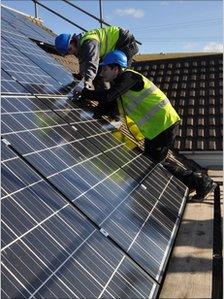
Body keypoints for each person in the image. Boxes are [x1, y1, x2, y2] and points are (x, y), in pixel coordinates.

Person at [80, 50, 216, 201]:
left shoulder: (129, 77)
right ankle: (194, 182)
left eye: (105, 69)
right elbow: (107, 105)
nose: (101, 73)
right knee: (155, 161)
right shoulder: (120, 87)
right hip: (156, 130)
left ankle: (202, 182)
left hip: (165, 124)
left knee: (154, 163)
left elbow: (108, 96)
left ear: (116, 68)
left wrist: (86, 93)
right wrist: (85, 111)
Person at [55, 26, 139, 119]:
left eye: (70, 49)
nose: (71, 53)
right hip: (116, 47)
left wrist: (87, 83)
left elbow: (92, 63)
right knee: (100, 74)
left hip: (125, 43)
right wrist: (80, 76)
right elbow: (84, 63)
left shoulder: (89, 43)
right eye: (68, 52)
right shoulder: (80, 46)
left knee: (117, 77)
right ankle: (103, 103)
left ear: (72, 42)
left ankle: (114, 112)